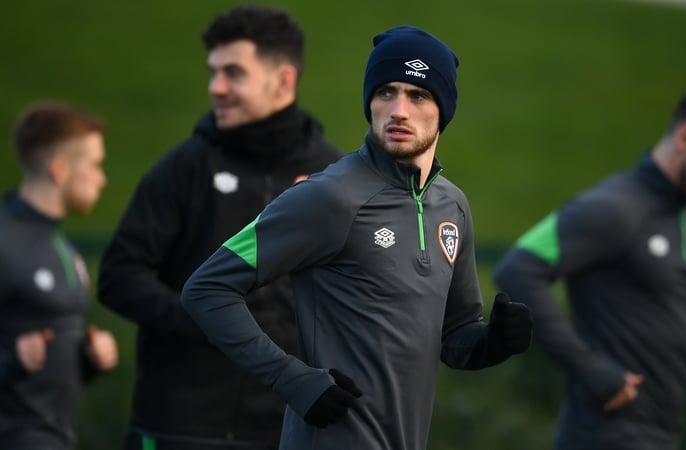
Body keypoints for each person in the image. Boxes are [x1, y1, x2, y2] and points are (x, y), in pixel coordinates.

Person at [180, 25, 533, 450]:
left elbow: (455, 336)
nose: (399, 110)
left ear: (445, 109)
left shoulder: (452, 207)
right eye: (386, 93)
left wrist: (493, 342)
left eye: (417, 95)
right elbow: (206, 288)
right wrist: (290, 378)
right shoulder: (328, 197)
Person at [494, 78, 686, 450]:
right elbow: (516, 270)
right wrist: (593, 371)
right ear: (685, 138)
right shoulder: (612, 208)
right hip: (603, 437)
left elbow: (684, 331)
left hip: (662, 438)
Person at [97, 5, 341, 450]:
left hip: (287, 426)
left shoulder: (332, 175)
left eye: (233, 73)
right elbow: (118, 276)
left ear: (283, 80)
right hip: (180, 425)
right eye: (213, 72)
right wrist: (212, 325)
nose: (216, 88)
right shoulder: (184, 167)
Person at [0, 101, 119, 450]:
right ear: (59, 168)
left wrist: (88, 360)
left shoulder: (62, 248)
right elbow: (19, 363)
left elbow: (45, 368)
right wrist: (12, 363)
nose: (102, 178)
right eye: (95, 165)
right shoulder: (5, 243)